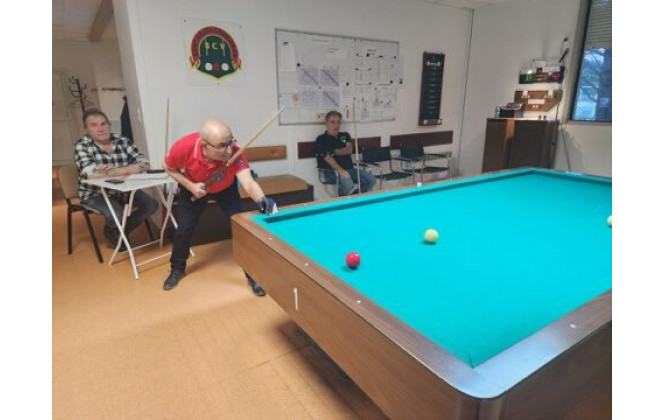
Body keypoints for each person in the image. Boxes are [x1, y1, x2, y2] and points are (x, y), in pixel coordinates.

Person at [162, 119, 277, 295]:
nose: (229, 149)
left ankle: (252, 275)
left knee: (241, 229)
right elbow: (168, 167)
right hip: (195, 188)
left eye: (231, 142)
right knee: (183, 230)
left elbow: (248, 181)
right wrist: (191, 186)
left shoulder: (234, 152)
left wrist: (262, 199)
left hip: (226, 190)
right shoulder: (184, 147)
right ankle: (177, 269)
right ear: (205, 145)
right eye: (222, 146)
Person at [74, 108, 158, 248]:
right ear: (86, 128)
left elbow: (144, 162)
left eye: (103, 124)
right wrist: (130, 169)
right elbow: (91, 173)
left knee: (151, 206)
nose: (101, 129)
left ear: (109, 125)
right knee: (117, 214)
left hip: (124, 189)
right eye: (94, 125)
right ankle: (116, 231)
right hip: (96, 193)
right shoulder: (82, 145)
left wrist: (117, 170)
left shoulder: (122, 140)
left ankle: (116, 232)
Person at [315, 110, 376, 196]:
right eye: (332, 122)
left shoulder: (344, 136)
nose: (336, 125)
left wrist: (333, 151)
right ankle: (342, 201)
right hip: (332, 172)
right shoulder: (322, 139)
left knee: (371, 180)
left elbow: (349, 150)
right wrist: (341, 170)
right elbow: (328, 158)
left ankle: (354, 198)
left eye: (338, 122)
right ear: (326, 123)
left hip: (350, 169)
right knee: (348, 184)